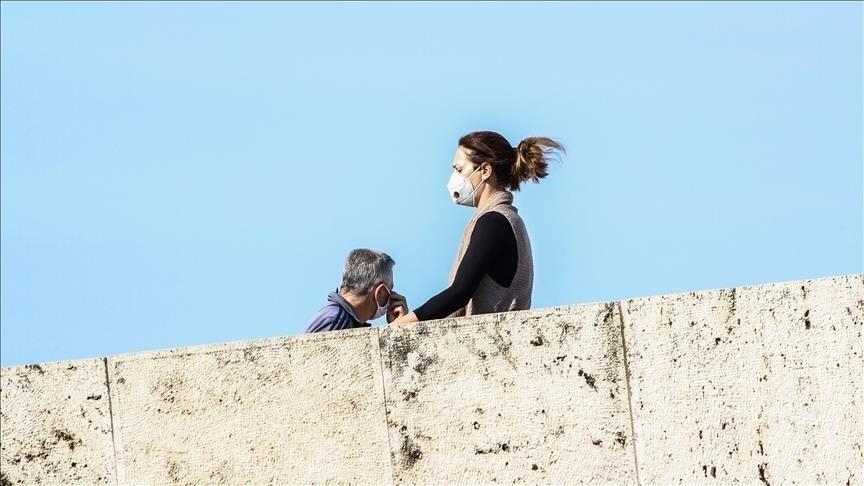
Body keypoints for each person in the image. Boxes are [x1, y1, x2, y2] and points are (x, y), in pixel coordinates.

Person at [391, 131, 564, 324]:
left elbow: (459, 293)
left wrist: (404, 324)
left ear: (485, 171)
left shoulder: (494, 221)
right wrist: (411, 320)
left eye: (459, 170)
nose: (454, 178)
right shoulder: (506, 218)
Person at [305, 249, 408, 333]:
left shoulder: (339, 317)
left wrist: (395, 329)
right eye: (390, 290)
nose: (392, 297)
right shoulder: (338, 321)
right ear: (380, 292)